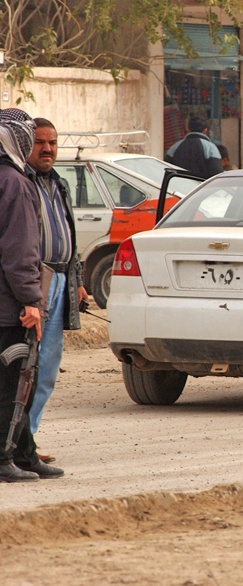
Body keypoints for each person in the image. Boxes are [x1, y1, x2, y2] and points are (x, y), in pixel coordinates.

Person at [0, 108, 64, 482]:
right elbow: (21, 250)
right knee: (15, 382)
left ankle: (24, 454)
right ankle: (5, 457)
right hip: (12, 305)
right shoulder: (16, 183)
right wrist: (30, 300)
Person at [26, 118, 89, 463]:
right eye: (40, 143)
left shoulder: (59, 183)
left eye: (52, 142)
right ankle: (16, 445)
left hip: (62, 281)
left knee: (47, 368)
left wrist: (76, 281)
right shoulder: (19, 182)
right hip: (35, 282)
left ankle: (28, 441)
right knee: (24, 367)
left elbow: (69, 236)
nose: (48, 149)